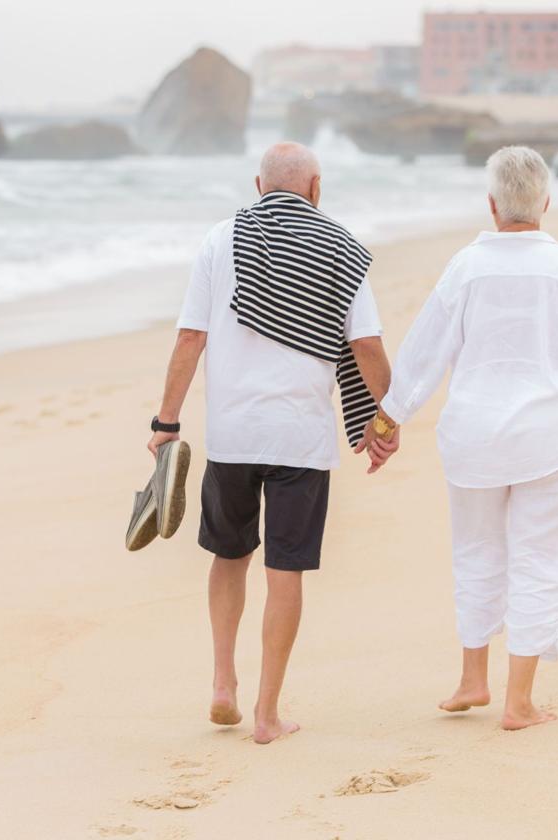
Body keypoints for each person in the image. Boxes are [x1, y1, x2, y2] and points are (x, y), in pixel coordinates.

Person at [363, 145, 558, 730]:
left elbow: (424, 352)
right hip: (549, 440)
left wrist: (389, 420)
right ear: (545, 202)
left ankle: (473, 679)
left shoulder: (466, 267)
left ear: (491, 205)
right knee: (540, 558)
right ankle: (518, 701)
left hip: (473, 439)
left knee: (476, 552)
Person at [147, 142, 394, 744]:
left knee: (229, 556)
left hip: (233, 435)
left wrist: (166, 421)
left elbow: (190, 336)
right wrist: (385, 419)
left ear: (259, 185)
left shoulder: (220, 239)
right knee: (286, 571)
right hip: (301, 442)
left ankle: (222, 683)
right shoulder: (342, 248)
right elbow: (365, 348)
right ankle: (266, 714)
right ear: (315, 188)